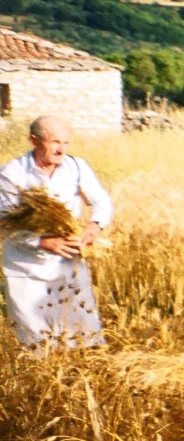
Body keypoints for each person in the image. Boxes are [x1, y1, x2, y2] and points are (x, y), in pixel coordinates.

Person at [0, 115, 112, 350]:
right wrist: (42, 241)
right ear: (34, 141)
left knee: (82, 335)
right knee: (37, 341)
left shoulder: (76, 167)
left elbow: (101, 199)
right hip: (26, 268)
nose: (61, 149)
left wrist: (94, 225)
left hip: (68, 264)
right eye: (55, 142)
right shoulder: (11, 175)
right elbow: (5, 224)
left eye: (66, 143)